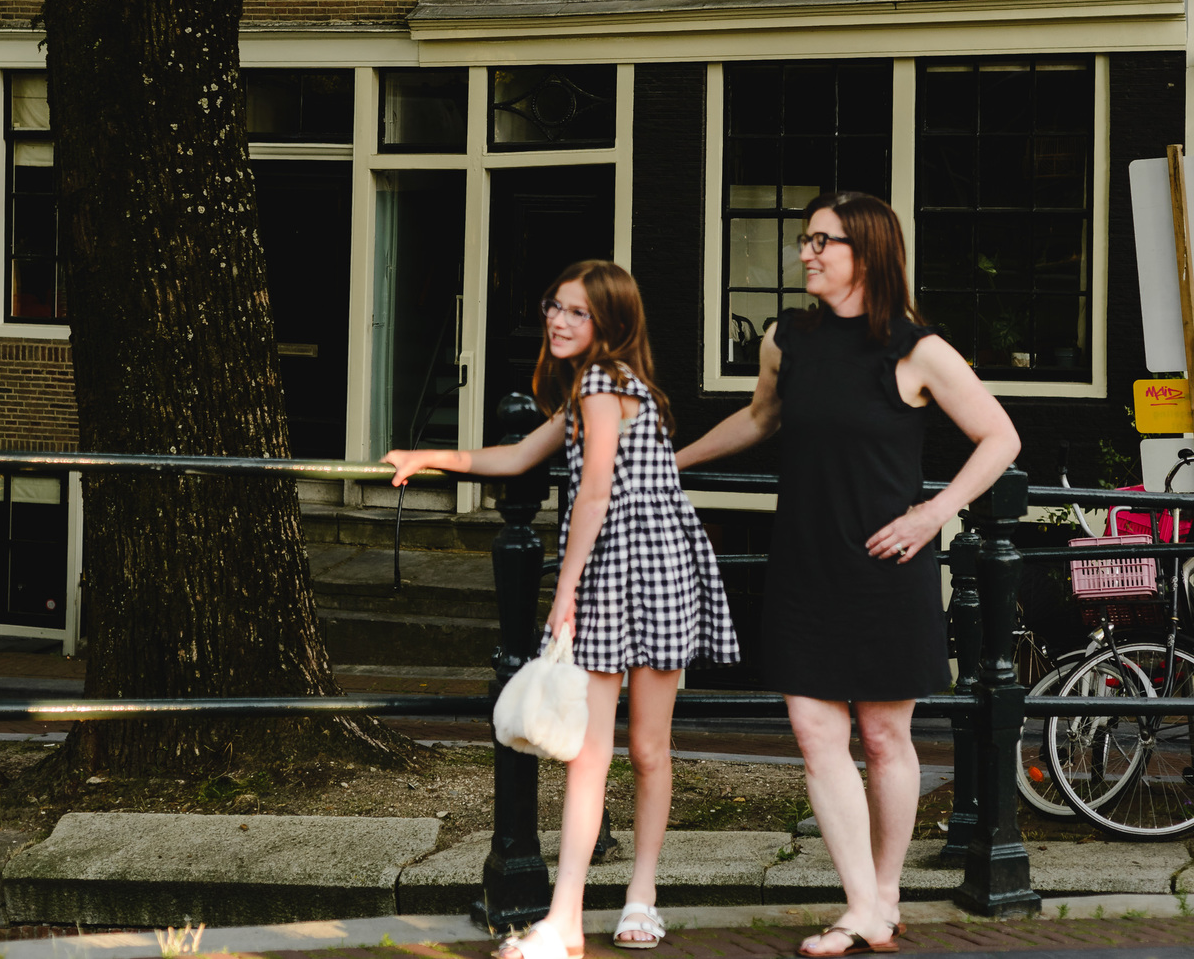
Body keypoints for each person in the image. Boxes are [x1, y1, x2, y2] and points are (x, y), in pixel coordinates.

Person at [674, 192, 1021, 958]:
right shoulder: (785, 338)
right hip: (805, 558)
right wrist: (676, 459)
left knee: (885, 733)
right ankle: (861, 902)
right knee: (812, 728)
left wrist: (936, 513)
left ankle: (884, 896)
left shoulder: (915, 348)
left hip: (886, 562)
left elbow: (1000, 436)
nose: (806, 253)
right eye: (805, 240)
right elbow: (762, 418)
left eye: (822, 241)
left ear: (865, 251)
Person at [385, 259, 739, 959]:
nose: (559, 319)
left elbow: (597, 493)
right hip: (644, 563)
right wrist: (429, 456)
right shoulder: (594, 389)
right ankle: (584, 913)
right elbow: (518, 457)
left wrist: (565, 587)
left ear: (610, 323)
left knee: (628, 750)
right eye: (555, 306)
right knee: (614, 752)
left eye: (577, 311)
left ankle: (614, 906)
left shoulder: (606, 385)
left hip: (643, 563)